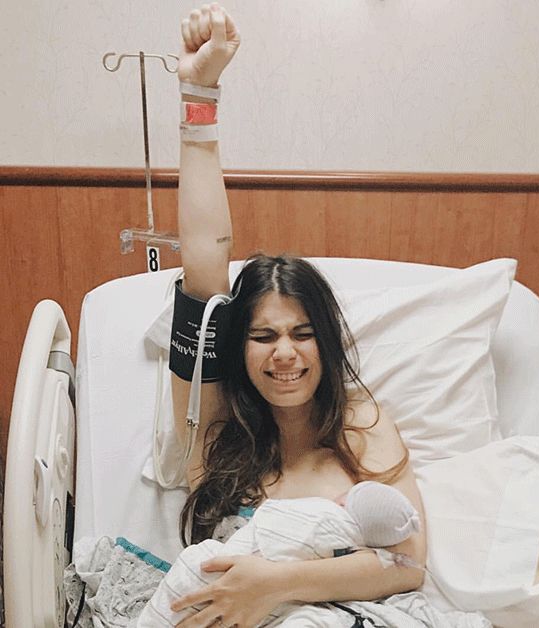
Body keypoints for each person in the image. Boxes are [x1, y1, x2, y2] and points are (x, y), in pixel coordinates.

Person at [170, 4, 427, 627]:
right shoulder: (217, 427)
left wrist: (274, 584)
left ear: (325, 343)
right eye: (263, 335)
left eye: (302, 333)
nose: (284, 352)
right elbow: (204, 262)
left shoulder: (360, 424)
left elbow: (409, 565)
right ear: (238, 347)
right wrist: (199, 96)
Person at [136, 481, 422, 626]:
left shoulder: (368, 428)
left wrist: (272, 582)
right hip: (228, 575)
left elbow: (410, 569)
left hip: (276, 597)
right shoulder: (218, 434)